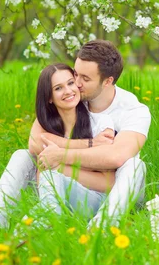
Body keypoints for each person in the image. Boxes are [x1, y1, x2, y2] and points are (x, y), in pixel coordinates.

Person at [0, 40, 151, 228]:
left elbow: (116, 156)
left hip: (116, 194)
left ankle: (102, 228)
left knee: (134, 165)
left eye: (85, 79)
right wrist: (90, 145)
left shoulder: (133, 111)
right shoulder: (74, 97)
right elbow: (36, 142)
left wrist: (60, 158)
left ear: (108, 81)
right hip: (70, 188)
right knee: (22, 156)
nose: (76, 84)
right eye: (76, 74)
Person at [33, 63, 115, 219]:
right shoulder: (48, 129)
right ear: (49, 97)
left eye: (71, 83)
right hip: (56, 200)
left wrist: (59, 166)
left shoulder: (101, 123)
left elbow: (109, 183)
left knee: (51, 174)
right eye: (58, 88)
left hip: (95, 202)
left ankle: (45, 223)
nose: (68, 91)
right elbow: (40, 174)